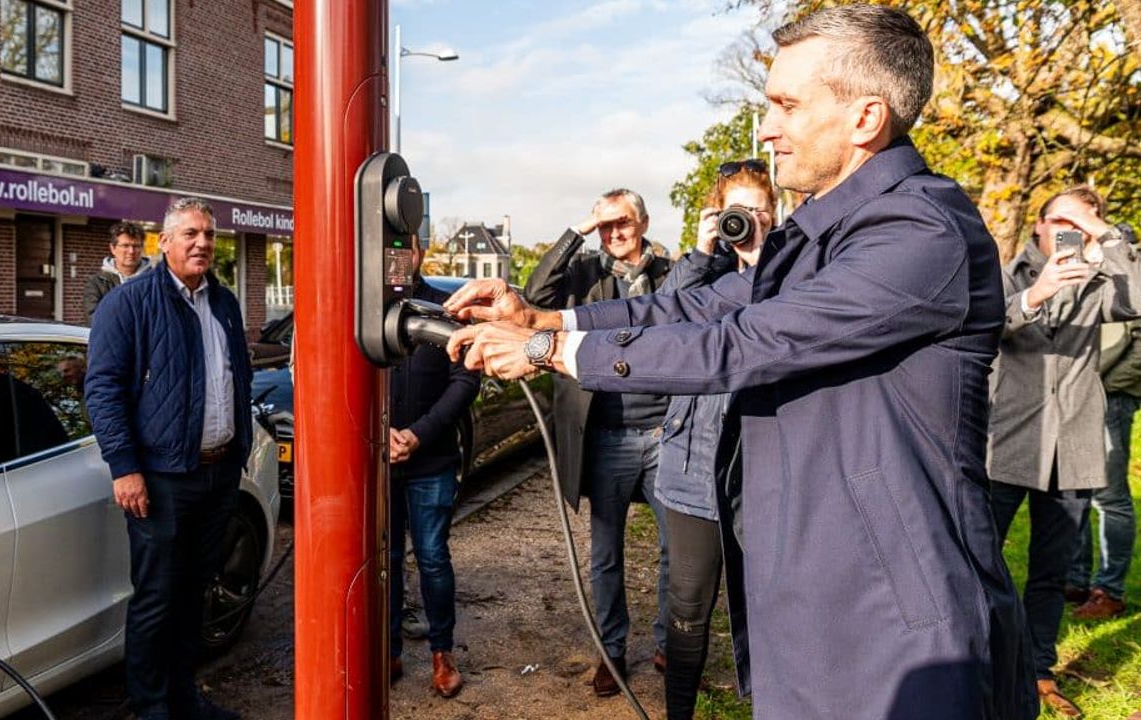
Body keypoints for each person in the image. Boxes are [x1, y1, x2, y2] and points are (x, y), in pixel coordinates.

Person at [442, 5, 1036, 718]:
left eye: (786, 105)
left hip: (896, 625)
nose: (767, 128)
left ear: (865, 117)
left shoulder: (917, 229)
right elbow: (694, 308)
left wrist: (549, 353)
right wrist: (546, 316)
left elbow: (749, 342)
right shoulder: (827, 231)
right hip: (814, 596)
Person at [85, 197, 252, 720]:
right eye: (190, 234)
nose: (202, 243)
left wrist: (239, 448)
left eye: (209, 235)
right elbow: (103, 389)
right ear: (165, 242)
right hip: (160, 479)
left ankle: (184, 696)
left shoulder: (224, 302)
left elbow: (235, 377)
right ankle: (151, 706)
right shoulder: (129, 302)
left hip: (218, 472)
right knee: (157, 597)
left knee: (193, 593)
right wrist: (125, 467)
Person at [988, 187, 1141, 717]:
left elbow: (1139, 298)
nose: (1065, 231)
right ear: (1037, 226)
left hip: (1072, 444)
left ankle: (1037, 670)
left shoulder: (1100, 278)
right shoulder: (1010, 273)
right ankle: (980, 662)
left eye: (1078, 222)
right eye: (1058, 220)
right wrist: (1036, 295)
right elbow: (986, 327)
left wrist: (1107, 236)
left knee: (1051, 573)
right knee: (983, 560)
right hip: (1008, 441)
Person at [523, 188, 674, 697]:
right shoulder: (587, 273)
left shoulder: (671, 274)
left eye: (622, 223)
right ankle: (611, 650)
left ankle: (669, 643)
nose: (614, 234)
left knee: (677, 548)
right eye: (605, 225)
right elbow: (535, 294)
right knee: (605, 552)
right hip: (607, 436)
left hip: (663, 432)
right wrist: (579, 230)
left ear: (644, 222)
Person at [656, 160, 774, 720]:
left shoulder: (794, 272)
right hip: (690, 469)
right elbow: (665, 323)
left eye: (758, 211)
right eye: (736, 213)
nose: (746, 222)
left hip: (761, 474)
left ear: (775, 214)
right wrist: (702, 254)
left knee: (769, 606)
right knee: (687, 607)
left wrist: (761, 260)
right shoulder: (701, 275)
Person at [386, 238, 480, 699]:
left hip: (432, 459)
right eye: (388, 249)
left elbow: (465, 381)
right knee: (383, 561)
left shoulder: (444, 308)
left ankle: (442, 653)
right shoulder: (366, 308)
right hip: (378, 460)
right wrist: (382, 433)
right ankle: (388, 650)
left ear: (421, 251)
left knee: (432, 558)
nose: (398, 257)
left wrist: (417, 434)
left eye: (406, 247)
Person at [1068, 298, 1140, 620]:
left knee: (1109, 496)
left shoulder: (1126, 261)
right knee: (1074, 490)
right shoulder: (1076, 260)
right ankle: (1076, 580)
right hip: (1073, 391)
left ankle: (1109, 591)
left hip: (1110, 395)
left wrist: (1108, 384)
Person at [84, 221, 150, 325]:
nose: (131, 251)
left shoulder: (155, 281)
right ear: (113, 248)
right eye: (125, 245)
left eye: (136, 246)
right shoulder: (98, 283)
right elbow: (95, 319)